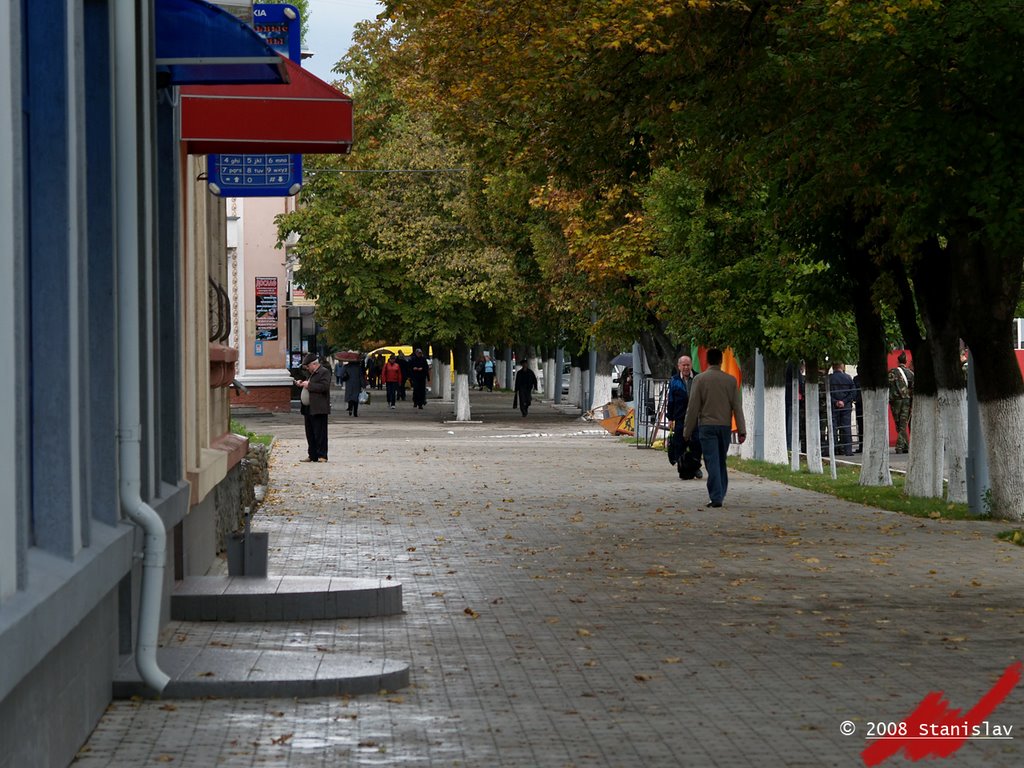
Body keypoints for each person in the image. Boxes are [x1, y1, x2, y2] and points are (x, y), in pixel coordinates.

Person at [683, 348, 746, 508]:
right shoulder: (730, 381)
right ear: (720, 361)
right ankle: (720, 492)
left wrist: (687, 431)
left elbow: (693, 407)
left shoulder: (699, 380)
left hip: (706, 426)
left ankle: (716, 496)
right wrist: (741, 430)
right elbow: (737, 407)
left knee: (711, 461)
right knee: (720, 460)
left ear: (707, 361)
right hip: (724, 427)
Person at [667, 355, 702, 480]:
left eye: (688, 365)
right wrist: (670, 418)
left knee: (697, 442)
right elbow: (671, 400)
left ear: (691, 365)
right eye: (684, 365)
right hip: (680, 417)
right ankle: (683, 468)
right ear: (679, 366)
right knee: (680, 443)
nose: (686, 367)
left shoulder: (698, 378)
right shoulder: (674, 381)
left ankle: (696, 466)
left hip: (696, 417)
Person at [297, 353, 331, 462]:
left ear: (314, 364)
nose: (307, 368)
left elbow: (324, 387)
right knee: (310, 433)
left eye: (308, 366)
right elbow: (308, 384)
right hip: (308, 408)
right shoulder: (310, 374)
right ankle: (312, 455)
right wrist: (301, 383)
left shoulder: (324, 372)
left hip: (319, 407)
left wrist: (309, 385)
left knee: (320, 432)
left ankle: (322, 455)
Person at [888, 351, 915, 453]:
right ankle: (901, 446)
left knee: (898, 424)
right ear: (906, 361)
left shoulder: (891, 372)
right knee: (903, 423)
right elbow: (913, 388)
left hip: (894, 401)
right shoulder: (910, 373)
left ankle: (903, 446)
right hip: (906, 401)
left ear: (897, 361)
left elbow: (888, 386)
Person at [828, 361, 856, 456]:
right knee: (846, 428)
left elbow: (827, 393)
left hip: (833, 406)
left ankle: (834, 449)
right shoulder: (848, 378)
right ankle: (848, 450)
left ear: (833, 367)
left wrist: (836, 401)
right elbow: (853, 392)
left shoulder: (830, 379)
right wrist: (844, 401)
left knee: (833, 427)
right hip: (846, 406)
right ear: (842, 367)